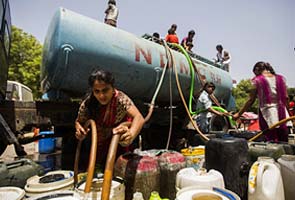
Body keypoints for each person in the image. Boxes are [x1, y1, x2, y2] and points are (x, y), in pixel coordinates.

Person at [75, 69, 145, 170]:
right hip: (98, 140)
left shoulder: (120, 98)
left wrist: (131, 134)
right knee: (97, 167)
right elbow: (78, 122)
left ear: (113, 88)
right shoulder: (88, 104)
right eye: (97, 91)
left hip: (118, 139)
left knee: (120, 167)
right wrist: (80, 131)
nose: (101, 95)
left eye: (105, 90)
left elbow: (139, 117)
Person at [233, 62, 292, 142]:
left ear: (257, 69)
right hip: (283, 115)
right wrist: (289, 115)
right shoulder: (281, 79)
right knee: (284, 142)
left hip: (268, 115)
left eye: (255, 73)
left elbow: (251, 100)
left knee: (271, 142)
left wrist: (238, 114)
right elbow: (286, 98)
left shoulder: (257, 81)